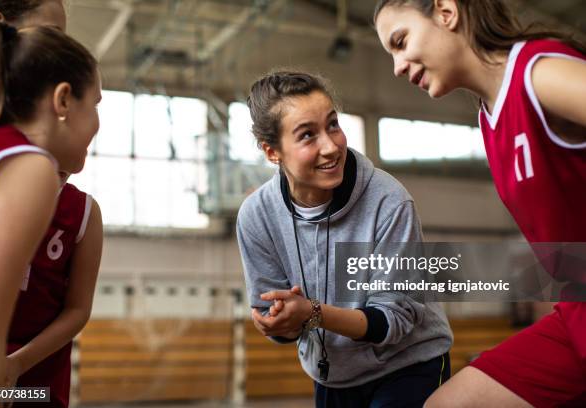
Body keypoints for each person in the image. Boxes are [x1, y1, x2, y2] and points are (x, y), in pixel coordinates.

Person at [373, 0, 586, 406]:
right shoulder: (490, 120)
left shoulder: (539, 73)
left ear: (446, 12)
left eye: (401, 42)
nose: (397, 66)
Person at [237, 71, 452, 407]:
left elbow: (392, 320)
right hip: (333, 375)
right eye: (308, 135)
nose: (331, 145)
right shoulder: (256, 216)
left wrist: (312, 314)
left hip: (409, 364)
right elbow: (279, 320)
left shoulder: (389, 201)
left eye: (333, 125)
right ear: (272, 152)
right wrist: (280, 323)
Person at [0, 18, 100, 403]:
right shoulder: (28, 168)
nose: (97, 122)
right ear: (63, 100)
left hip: (38, 383)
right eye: (95, 104)